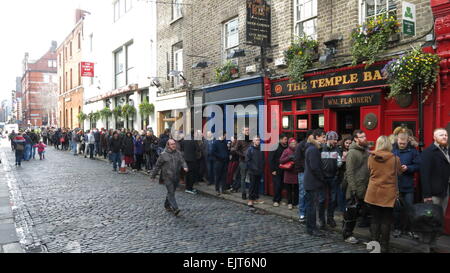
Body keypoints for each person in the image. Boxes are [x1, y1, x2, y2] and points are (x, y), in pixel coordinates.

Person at [365, 135, 405, 253]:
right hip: (388, 193)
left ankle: (373, 246)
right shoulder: (394, 159)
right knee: (386, 221)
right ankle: (384, 247)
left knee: (375, 220)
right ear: (389, 145)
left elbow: (369, 171)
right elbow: (399, 173)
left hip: (373, 192)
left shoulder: (371, 157)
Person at [342, 129, 371, 244]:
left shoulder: (365, 151)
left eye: (365, 136)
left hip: (365, 187)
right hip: (354, 188)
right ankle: (347, 235)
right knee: (351, 213)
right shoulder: (352, 153)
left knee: (362, 212)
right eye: (362, 137)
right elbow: (349, 172)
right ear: (355, 139)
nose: (365, 138)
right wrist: (353, 190)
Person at [392, 132, 421, 238]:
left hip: (408, 184)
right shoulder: (392, 150)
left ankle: (411, 229)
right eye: (400, 143)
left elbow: (418, 165)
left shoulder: (413, 151)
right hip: (395, 185)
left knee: (410, 208)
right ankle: (397, 228)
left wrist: (408, 168)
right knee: (397, 209)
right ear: (397, 140)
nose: (402, 145)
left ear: (407, 141)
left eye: (403, 143)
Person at [151, 139, 188, 216]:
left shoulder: (178, 153)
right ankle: (175, 208)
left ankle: (166, 205)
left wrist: (185, 167)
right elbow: (157, 166)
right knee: (171, 192)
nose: (174, 145)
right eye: (171, 144)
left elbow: (183, 161)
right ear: (168, 145)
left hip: (176, 176)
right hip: (167, 177)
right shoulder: (163, 155)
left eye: (174, 144)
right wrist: (153, 176)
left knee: (171, 192)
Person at [421, 128, 450, 219]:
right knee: (431, 218)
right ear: (434, 137)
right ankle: (431, 234)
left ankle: (439, 233)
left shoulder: (448, 151)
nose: (444, 137)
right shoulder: (428, 152)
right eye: (441, 135)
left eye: (446, 135)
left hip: (445, 190)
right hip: (433, 193)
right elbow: (424, 174)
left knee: (441, 215)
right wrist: (427, 195)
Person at [304, 129, 326, 236]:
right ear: (317, 137)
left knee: (311, 206)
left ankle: (310, 228)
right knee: (312, 207)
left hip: (311, 182)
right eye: (323, 136)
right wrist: (322, 178)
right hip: (313, 182)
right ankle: (312, 228)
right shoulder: (313, 149)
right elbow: (315, 167)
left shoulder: (313, 148)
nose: (324, 139)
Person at [320, 131, 342, 228]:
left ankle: (330, 218)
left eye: (336, 139)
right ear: (328, 139)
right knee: (322, 199)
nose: (336, 141)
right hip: (322, 178)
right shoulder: (321, 148)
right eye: (334, 139)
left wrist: (340, 161)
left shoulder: (338, 149)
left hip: (333, 177)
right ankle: (321, 220)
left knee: (333, 200)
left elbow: (339, 162)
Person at [231, 127, 252, 200]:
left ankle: (251, 194)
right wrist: (242, 155)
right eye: (246, 130)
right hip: (243, 161)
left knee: (251, 178)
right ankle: (244, 193)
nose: (247, 131)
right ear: (242, 131)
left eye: (248, 130)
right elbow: (235, 149)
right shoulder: (240, 139)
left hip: (250, 161)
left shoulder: (251, 139)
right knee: (243, 178)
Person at [268, 134, 288, 207]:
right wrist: (273, 169)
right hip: (276, 169)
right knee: (277, 185)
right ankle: (276, 200)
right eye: (285, 139)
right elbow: (270, 159)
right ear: (280, 139)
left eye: (286, 139)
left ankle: (281, 199)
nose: (286, 141)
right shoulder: (274, 146)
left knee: (283, 185)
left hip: (285, 169)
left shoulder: (286, 147)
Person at [279, 138, 299, 210]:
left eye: (295, 143)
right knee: (289, 189)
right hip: (288, 172)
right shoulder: (286, 151)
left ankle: (296, 203)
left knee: (297, 189)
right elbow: (281, 160)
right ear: (289, 144)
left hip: (296, 172)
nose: (293, 144)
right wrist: (289, 157)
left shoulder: (298, 150)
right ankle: (290, 203)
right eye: (292, 143)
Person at [245, 136, 265, 208]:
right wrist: (252, 168)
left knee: (257, 185)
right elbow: (247, 160)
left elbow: (263, 159)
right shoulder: (250, 149)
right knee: (252, 185)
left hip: (259, 171)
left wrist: (261, 167)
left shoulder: (260, 149)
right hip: (252, 171)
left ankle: (256, 198)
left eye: (259, 140)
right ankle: (250, 200)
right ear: (253, 141)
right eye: (256, 140)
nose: (258, 141)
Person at [337, 135, 352, 213]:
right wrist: (343, 159)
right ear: (343, 142)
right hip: (341, 173)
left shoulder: (352, 150)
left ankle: (348, 207)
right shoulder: (339, 150)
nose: (348, 145)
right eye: (346, 143)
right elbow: (338, 164)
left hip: (349, 173)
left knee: (348, 191)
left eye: (350, 143)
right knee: (341, 191)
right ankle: (342, 208)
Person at [181, 130, 199, 194]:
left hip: (185, 159)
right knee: (191, 175)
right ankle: (189, 188)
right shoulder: (194, 141)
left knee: (187, 174)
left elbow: (182, 149)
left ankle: (187, 187)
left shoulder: (184, 140)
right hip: (192, 160)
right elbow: (198, 149)